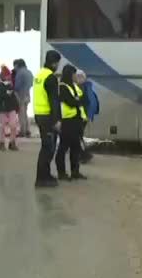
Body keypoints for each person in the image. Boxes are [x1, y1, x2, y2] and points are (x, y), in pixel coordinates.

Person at [33, 51, 62, 187]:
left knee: (46, 146)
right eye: (57, 63)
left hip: (39, 114)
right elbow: (54, 100)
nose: (58, 66)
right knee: (48, 148)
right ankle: (42, 178)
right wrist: (56, 120)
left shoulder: (39, 75)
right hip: (48, 117)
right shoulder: (50, 78)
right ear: (54, 63)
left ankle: (45, 175)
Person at [55, 64, 88, 181]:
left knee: (76, 147)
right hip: (67, 121)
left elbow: (84, 99)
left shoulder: (75, 86)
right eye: (74, 74)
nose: (76, 76)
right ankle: (61, 173)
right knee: (63, 148)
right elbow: (70, 102)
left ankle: (75, 172)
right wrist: (77, 101)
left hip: (76, 120)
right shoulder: (62, 86)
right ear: (70, 74)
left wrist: (77, 100)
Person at [0, 65, 20, 151]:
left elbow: (13, 97)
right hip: (2, 109)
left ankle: (12, 142)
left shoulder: (11, 85)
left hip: (11, 108)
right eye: (7, 75)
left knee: (13, 125)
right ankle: (2, 143)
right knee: (2, 127)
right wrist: (6, 94)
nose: (8, 77)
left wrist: (17, 107)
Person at [79, 70, 99, 164]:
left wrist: (89, 116)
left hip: (82, 117)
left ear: (84, 78)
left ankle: (84, 155)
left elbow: (92, 103)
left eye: (80, 77)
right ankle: (84, 155)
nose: (78, 78)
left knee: (77, 137)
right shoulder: (85, 86)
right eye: (77, 76)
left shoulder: (85, 88)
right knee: (78, 136)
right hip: (81, 116)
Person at [13, 58, 34, 138]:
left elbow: (17, 86)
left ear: (17, 65)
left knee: (21, 114)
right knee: (25, 113)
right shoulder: (29, 72)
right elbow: (32, 84)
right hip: (27, 94)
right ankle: (27, 130)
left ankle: (23, 131)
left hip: (20, 95)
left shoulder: (19, 73)